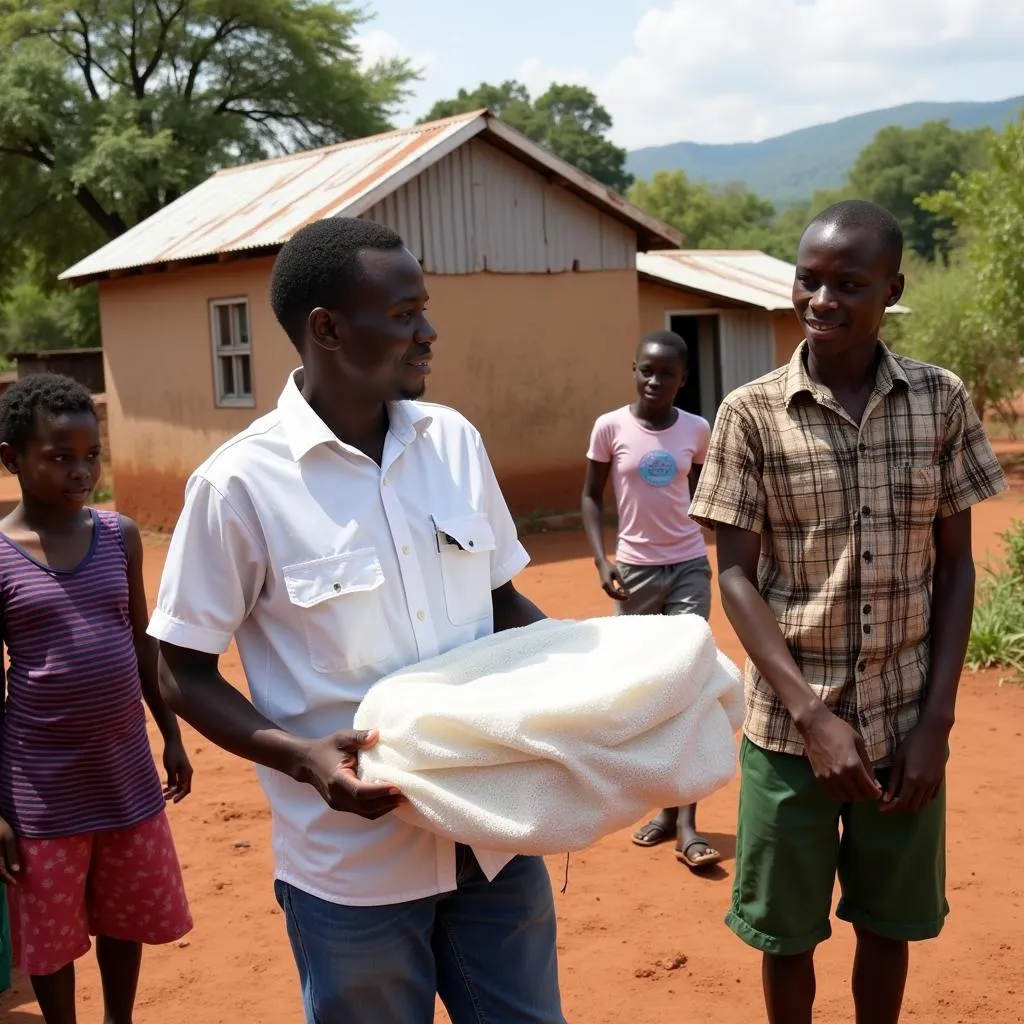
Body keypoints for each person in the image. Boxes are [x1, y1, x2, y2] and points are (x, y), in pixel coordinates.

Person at [149, 217, 565, 1024]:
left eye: (425, 308)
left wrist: (581, 677)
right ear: (328, 330)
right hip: (351, 871)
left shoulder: (453, 441)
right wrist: (304, 759)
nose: (429, 331)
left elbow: (503, 599)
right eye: (405, 313)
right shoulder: (238, 486)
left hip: (493, 833)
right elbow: (180, 670)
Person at [689, 200, 1007, 1024]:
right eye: (808, 279)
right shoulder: (750, 414)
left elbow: (958, 566)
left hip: (905, 728)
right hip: (792, 736)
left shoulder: (940, 400)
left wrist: (935, 722)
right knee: (787, 937)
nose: (820, 299)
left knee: (885, 924)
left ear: (892, 289)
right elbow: (735, 579)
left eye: (848, 283)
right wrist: (814, 720)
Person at [0, 375, 193, 1024]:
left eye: (90, 455)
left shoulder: (119, 536)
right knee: (50, 935)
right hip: (40, 786)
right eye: (58, 457)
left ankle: (120, 1019)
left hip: (123, 773)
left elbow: (142, 646)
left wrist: (169, 734)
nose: (80, 470)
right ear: (12, 459)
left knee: (123, 911)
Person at [581, 330, 721, 870]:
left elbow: (712, 491)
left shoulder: (696, 429)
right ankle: (661, 810)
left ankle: (686, 822)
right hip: (634, 572)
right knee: (644, 690)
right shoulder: (610, 427)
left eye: (667, 373)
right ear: (633, 370)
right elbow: (591, 497)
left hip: (688, 567)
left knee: (686, 683)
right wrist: (601, 559)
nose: (655, 380)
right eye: (646, 371)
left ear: (683, 378)